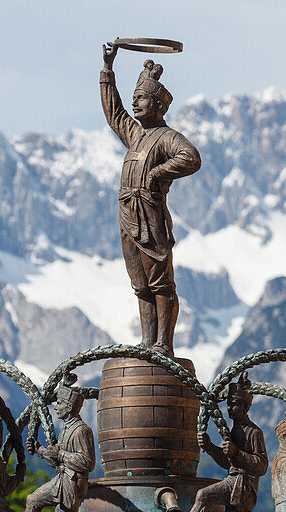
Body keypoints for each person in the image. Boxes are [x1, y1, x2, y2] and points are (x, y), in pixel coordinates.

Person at [100, 42, 202, 355]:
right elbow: (113, 113)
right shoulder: (135, 135)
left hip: (150, 215)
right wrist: (108, 70)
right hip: (128, 214)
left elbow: (191, 157)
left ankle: (163, 344)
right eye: (135, 98)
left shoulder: (167, 136)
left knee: (160, 282)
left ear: (157, 104)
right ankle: (147, 342)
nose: (135, 104)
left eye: (141, 98)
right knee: (140, 284)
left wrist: (159, 172)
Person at [159, 373, 266, 512]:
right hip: (234, 481)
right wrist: (210, 447)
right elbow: (229, 462)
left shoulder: (254, 432)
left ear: (245, 406)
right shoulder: (235, 431)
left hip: (241, 485)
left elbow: (261, 465)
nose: (230, 409)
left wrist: (237, 453)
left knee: (203, 495)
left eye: (235, 404)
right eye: (228, 405)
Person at [1, 373, 94, 512]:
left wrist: (60, 454)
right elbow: (57, 457)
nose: (57, 407)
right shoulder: (67, 429)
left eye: (60, 403)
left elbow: (87, 462)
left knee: (34, 502)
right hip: (63, 481)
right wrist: (41, 450)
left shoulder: (82, 430)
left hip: (69, 486)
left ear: (70, 406)